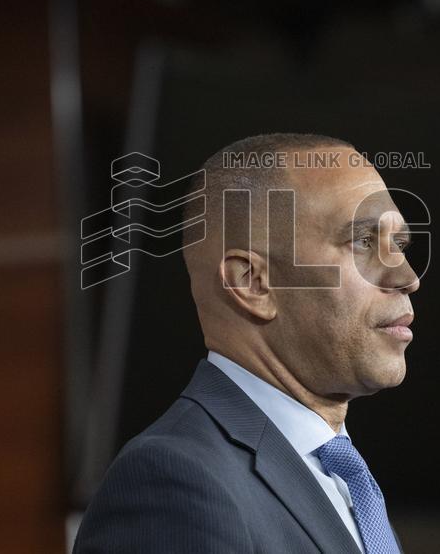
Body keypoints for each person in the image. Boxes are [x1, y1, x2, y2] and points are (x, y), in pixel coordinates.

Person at [73, 133, 421, 553]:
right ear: (253, 284)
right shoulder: (174, 481)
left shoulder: (348, 482)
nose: (407, 277)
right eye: (364, 242)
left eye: (398, 244)